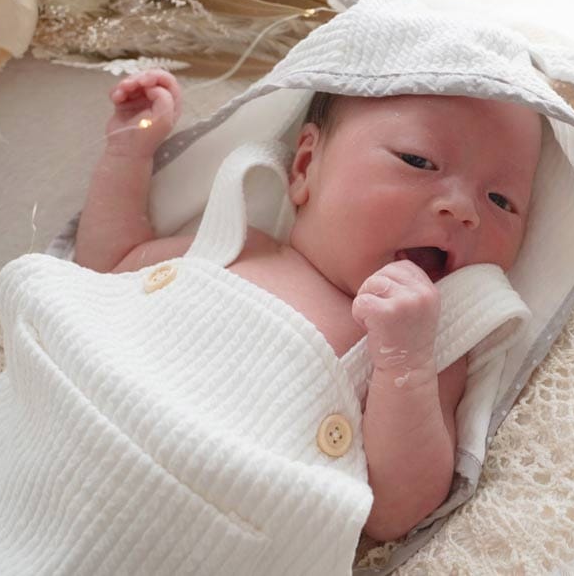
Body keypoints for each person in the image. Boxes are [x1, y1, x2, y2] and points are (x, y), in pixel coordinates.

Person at [73, 68, 543, 541]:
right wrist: (127, 152)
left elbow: (395, 511)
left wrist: (406, 363)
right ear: (304, 167)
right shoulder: (232, 246)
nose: (463, 209)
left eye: (500, 200)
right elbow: (104, 272)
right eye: (418, 161)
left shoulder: (426, 352)